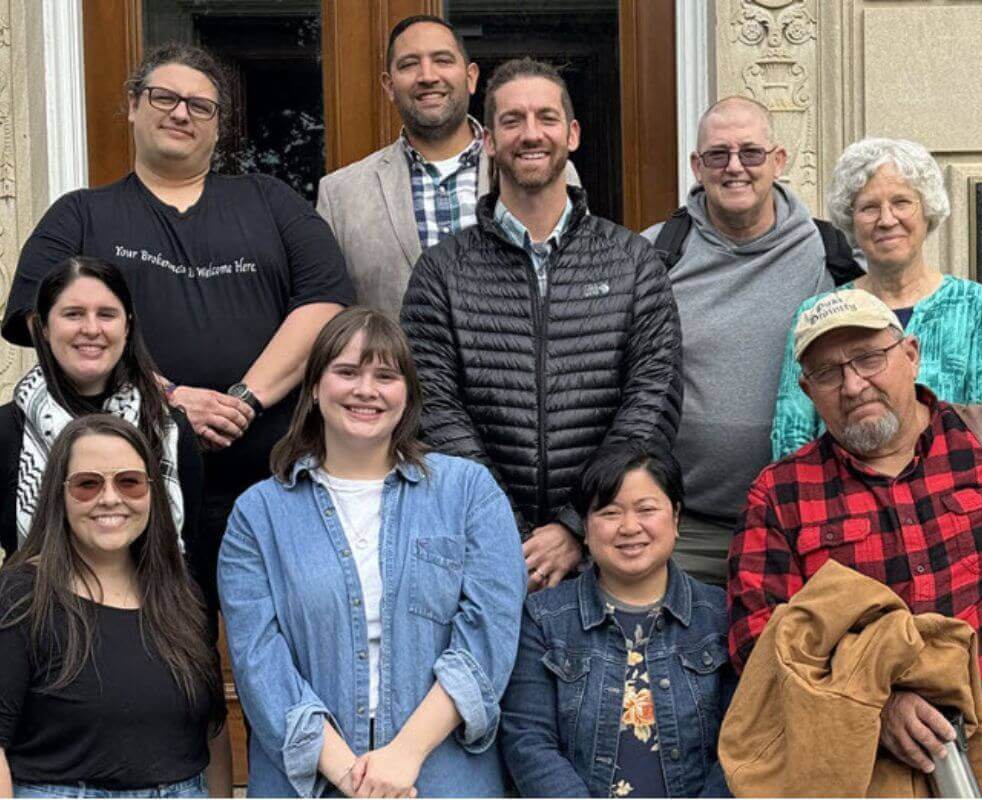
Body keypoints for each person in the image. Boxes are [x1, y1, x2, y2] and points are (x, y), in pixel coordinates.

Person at [730, 289, 982, 797]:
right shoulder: (781, 496)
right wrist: (875, 710)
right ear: (808, 391)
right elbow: (761, 646)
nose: (854, 384)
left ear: (911, 354)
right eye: (829, 372)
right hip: (886, 780)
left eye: (868, 358)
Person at [2, 42, 355, 613]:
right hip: (135, 493)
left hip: (271, 482)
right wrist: (166, 397)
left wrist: (243, 399)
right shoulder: (81, 214)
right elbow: (35, 316)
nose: (181, 113)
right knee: (162, 660)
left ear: (218, 127)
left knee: (285, 648)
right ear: (133, 107)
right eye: (164, 97)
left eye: (200, 105)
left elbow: (326, 302)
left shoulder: (271, 201)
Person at [218, 307, 525, 797]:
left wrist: (403, 757)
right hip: (314, 781)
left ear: (407, 395)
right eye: (346, 372)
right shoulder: (258, 516)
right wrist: (354, 779)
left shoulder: (468, 493)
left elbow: (488, 639)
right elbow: (261, 667)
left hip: (440, 777)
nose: (366, 390)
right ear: (315, 387)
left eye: (385, 375)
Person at [402, 58, 682, 593]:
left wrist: (578, 525)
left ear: (572, 134)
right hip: (479, 555)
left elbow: (652, 404)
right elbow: (434, 410)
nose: (531, 134)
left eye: (547, 118)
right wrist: (508, 532)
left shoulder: (634, 262)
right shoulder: (441, 272)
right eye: (512, 120)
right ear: (488, 140)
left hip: (608, 556)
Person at [640, 96, 854, 585]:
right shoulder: (653, 254)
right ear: (697, 166)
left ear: (779, 160)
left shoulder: (831, 254)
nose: (735, 167)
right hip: (683, 530)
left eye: (751, 153)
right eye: (718, 155)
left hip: (802, 526)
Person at [0, 415, 228, 797]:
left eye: (129, 482)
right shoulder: (22, 594)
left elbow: (213, 731)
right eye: (87, 484)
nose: (110, 498)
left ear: (153, 492)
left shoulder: (181, 592)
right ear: (59, 493)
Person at [501, 441, 731, 797]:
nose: (628, 527)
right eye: (609, 512)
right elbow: (528, 740)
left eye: (646, 509)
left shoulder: (719, 616)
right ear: (585, 529)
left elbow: (745, 741)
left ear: (676, 518)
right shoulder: (544, 619)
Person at [317, 15, 579, 318]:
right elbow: (331, 321)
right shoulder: (340, 195)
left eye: (442, 60)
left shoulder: (550, 172)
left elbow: (573, 291)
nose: (427, 76)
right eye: (409, 64)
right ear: (389, 85)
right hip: (400, 366)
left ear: (470, 77)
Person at [771, 137, 982, 458]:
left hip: (952, 498)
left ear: (927, 209)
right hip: (839, 500)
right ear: (850, 219)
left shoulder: (977, 305)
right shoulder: (818, 312)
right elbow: (792, 432)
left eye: (901, 202)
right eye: (869, 207)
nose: (886, 219)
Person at [0, 258, 202, 570]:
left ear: (128, 325)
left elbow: (190, 561)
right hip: (34, 611)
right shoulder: (6, 430)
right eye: (73, 314)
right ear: (44, 327)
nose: (91, 329)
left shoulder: (167, 429)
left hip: (152, 612)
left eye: (106, 314)